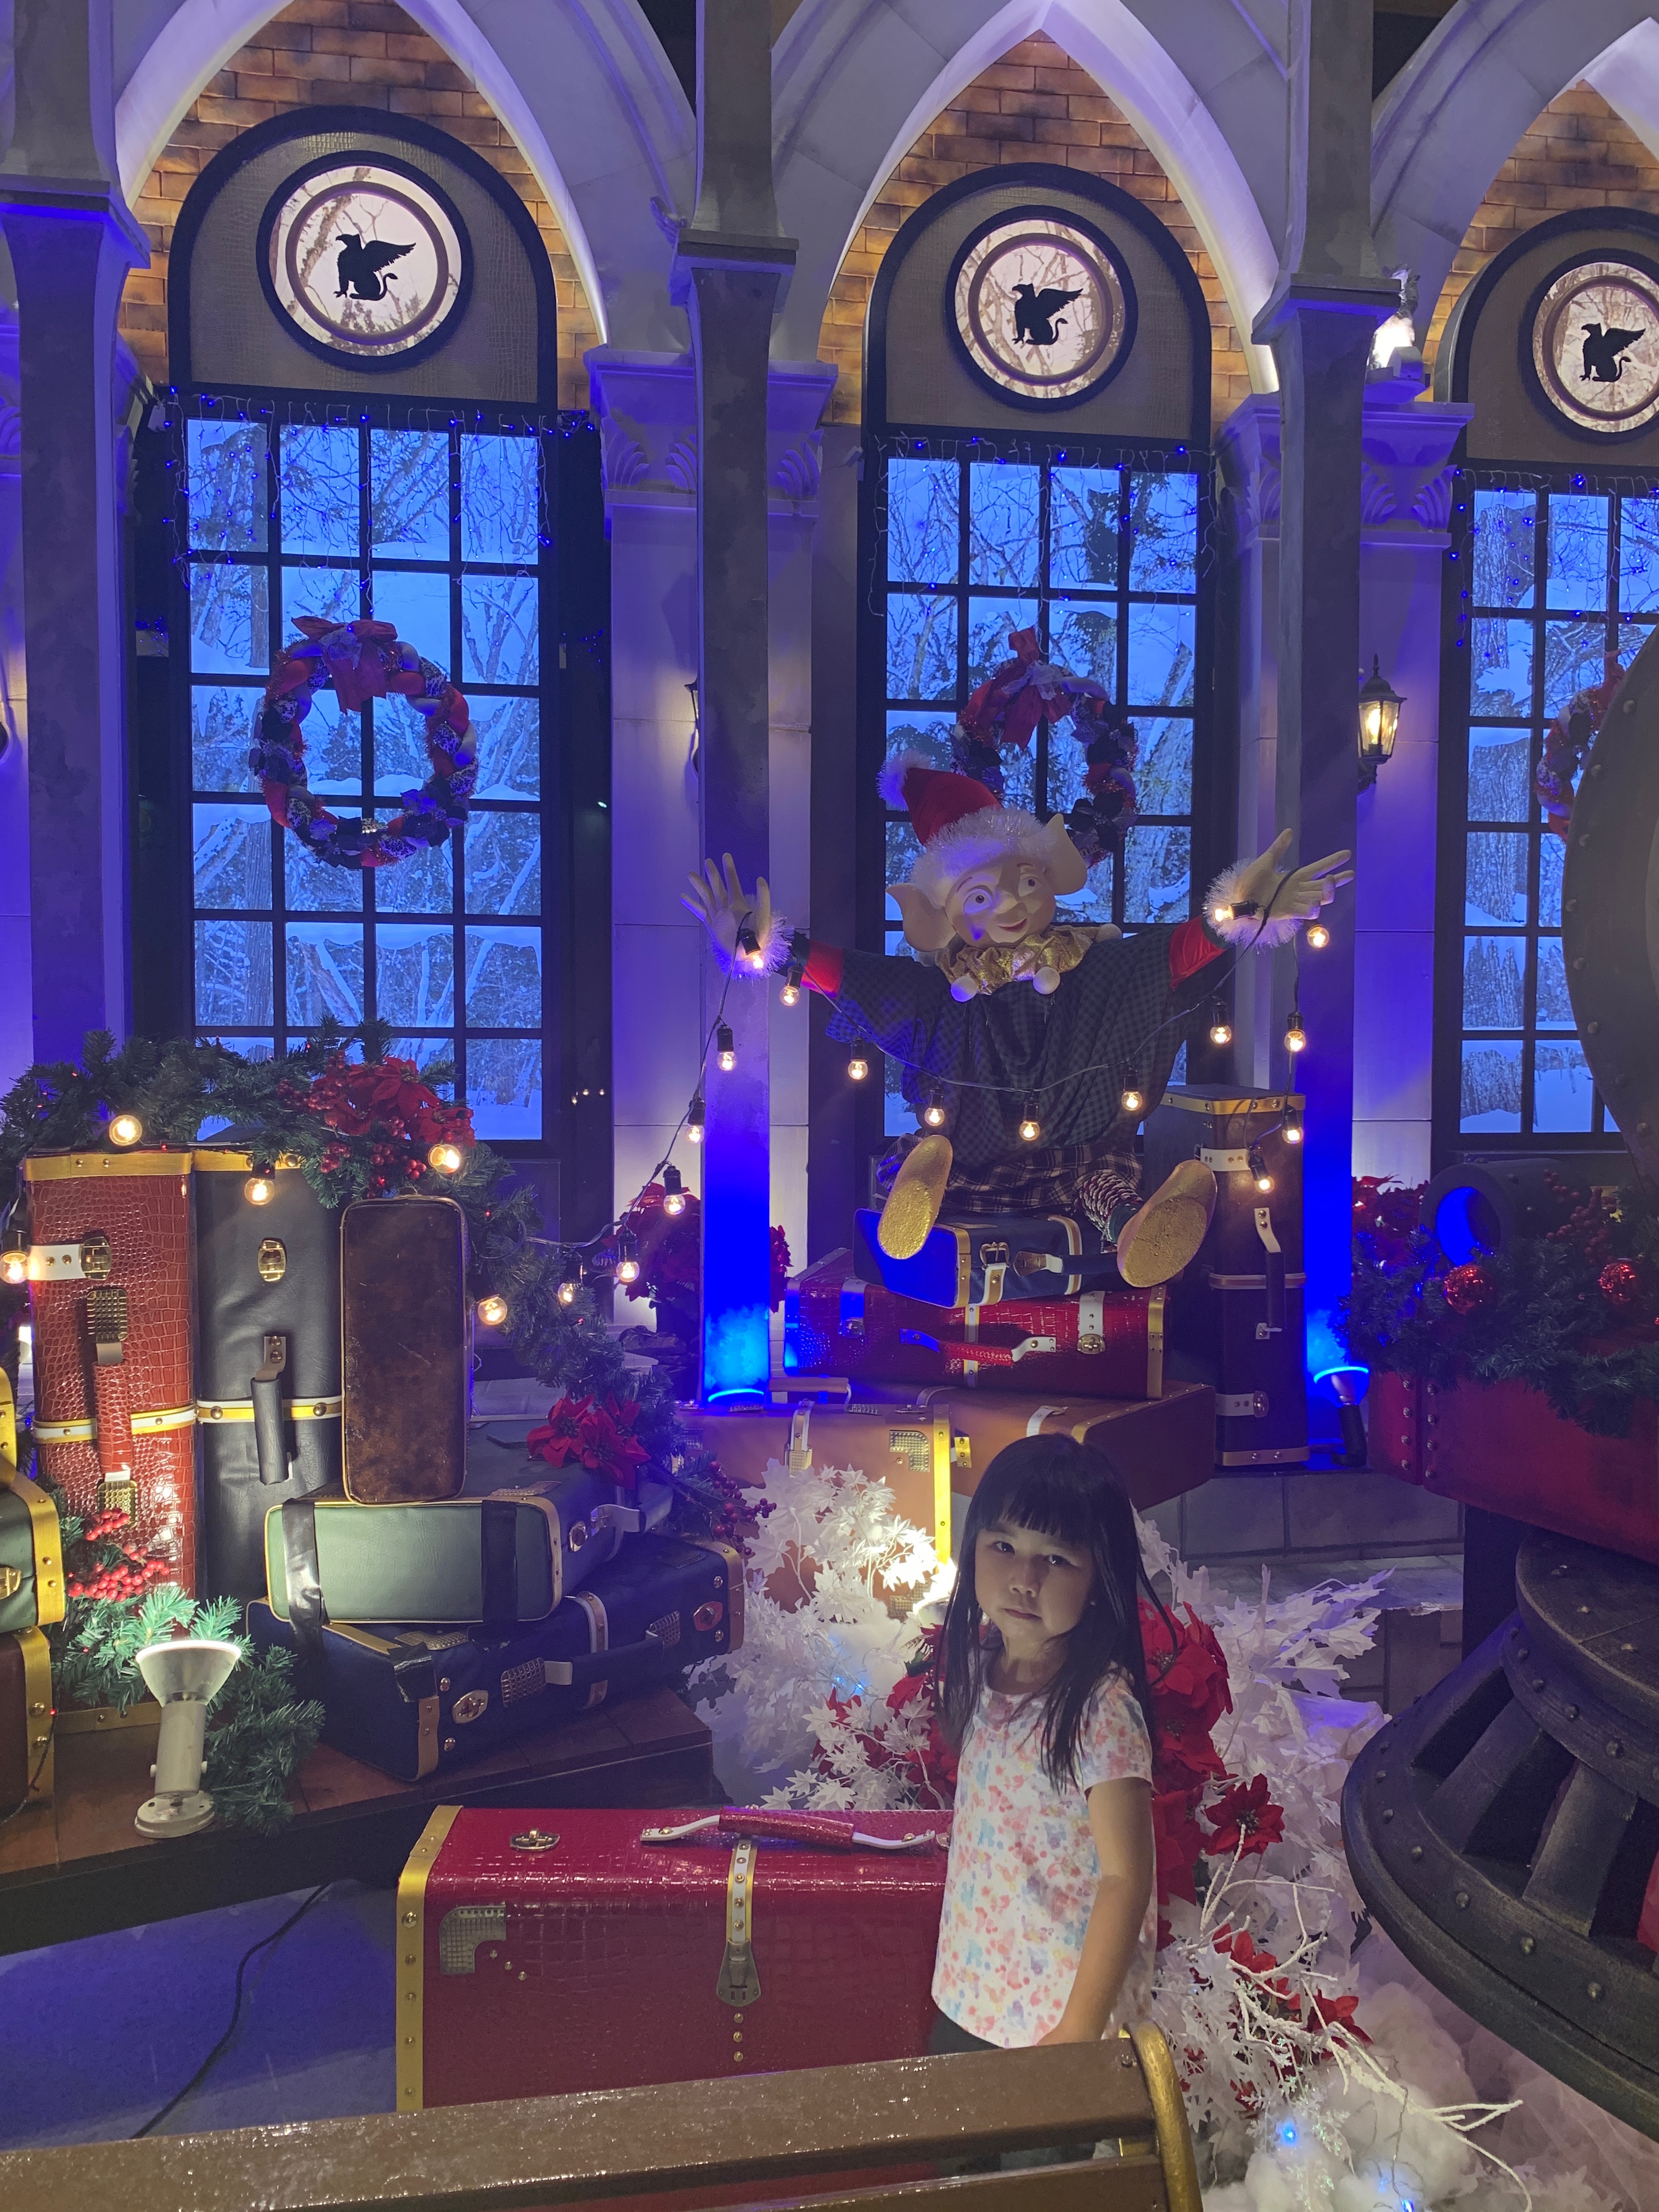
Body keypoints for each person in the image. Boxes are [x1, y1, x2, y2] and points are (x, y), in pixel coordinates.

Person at [683, 755, 1350, 1291]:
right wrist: (770, 948)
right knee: (928, 1145)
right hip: (969, 1165)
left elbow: (1168, 957)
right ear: (947, 914)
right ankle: (922, 1185)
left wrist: (1237, 913)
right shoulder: (939, 993)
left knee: (1107, 1184)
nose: (1010, 904)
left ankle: (1136, 1227)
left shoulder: (1096, 969)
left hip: (1077, 1162)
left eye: (1026, 882)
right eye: (981, 894)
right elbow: (859, 979)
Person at [928, 1434, 1167, 2100]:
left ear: (1099, 1580)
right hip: (970, 1996)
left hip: (1057, 2022)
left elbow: (1126, 1877)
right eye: (1003, 1546)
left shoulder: (1100, 1707)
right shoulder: (983, 1668)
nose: (1024, 1579)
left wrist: (1079, 2027)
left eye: (1056, 1559)